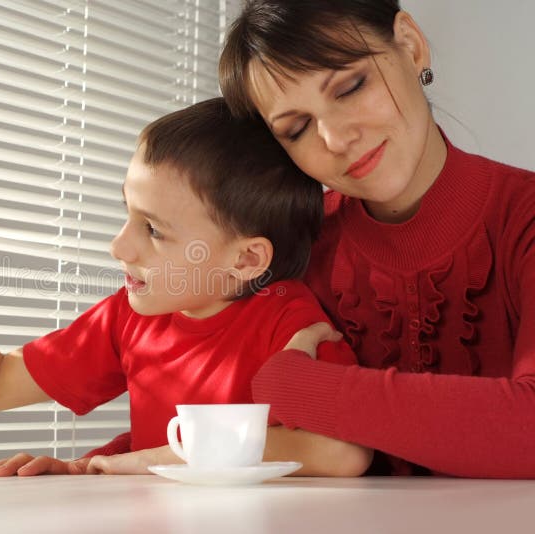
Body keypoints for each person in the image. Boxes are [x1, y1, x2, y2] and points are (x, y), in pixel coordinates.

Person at [0, 98, 371, 478]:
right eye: (127, 214)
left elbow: (344, 452)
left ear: (247, 258)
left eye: (153, 230)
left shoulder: (288, 321)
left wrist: (143, 460)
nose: (119, 247)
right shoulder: (131, 316)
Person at [87, 0, 535, 479]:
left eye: (350, 87)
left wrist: (297, 385)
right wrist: (101, 464)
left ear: (410, 45)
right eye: (297, 128)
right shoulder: (284, 251)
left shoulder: (523, 218)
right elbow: (221, 411)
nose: (335, 137)